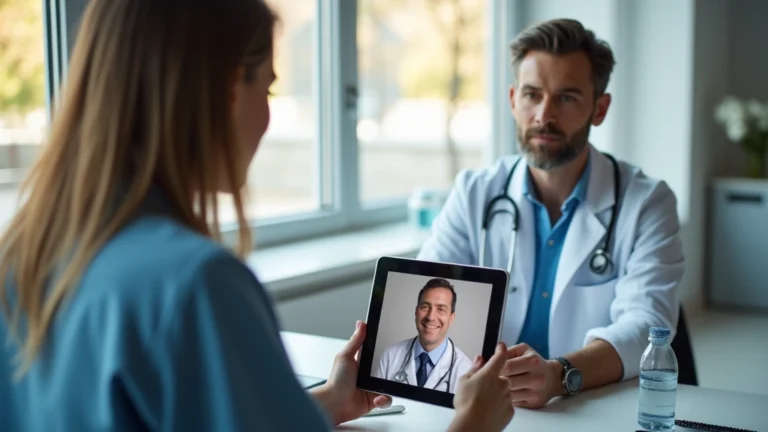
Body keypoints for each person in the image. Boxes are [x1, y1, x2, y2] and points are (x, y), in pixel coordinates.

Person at [0, 1, 518, 431]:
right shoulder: (198, 283)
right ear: (230, 90)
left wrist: (326, 404)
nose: (267, 115)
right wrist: (472, 423)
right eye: (266, 88)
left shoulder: (25, 254)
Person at [417, 18, 685, 409]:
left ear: (599, 108)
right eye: (532, 95)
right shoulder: (474, 192)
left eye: (567, 97)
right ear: (513, 100)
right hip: (488, 404)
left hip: (591, 404)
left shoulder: (646, 202)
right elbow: (426, 291)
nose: (544, 115)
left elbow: (647, 326)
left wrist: (560, 374)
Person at [373, 278, 473, 392]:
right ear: (416, 312)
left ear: (451, 318)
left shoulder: (466, 370)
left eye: (441, 309)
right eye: (425, 307)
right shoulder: (390, 355)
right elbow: (375, 400)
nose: (430, 317)